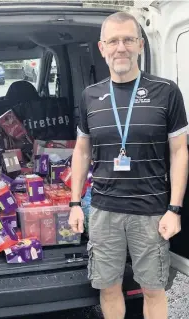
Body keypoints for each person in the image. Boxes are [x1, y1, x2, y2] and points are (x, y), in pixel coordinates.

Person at [68, 11, 188, 319]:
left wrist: (174, 209)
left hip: (150, 211)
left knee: (153, 289)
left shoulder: (166, 91)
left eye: (128, 40)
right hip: (104, 211)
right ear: (102, 48)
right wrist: (74, 203)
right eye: (113, 41)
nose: (120, 48)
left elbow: (179, 152)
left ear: (139, 46)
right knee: (108, 288)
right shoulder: (90, 96)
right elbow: (82, 151)